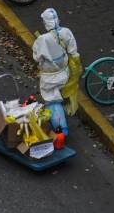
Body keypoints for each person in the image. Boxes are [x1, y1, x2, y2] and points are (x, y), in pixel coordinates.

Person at [31, 8, 79, 137]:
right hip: (65, 72)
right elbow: (73, 52)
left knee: (52, 100)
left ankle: (61, 129)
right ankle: (59, 117)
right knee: (59, 95)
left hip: (49, 77)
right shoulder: (66, 32)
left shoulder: (42, 39)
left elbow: (37, 57)